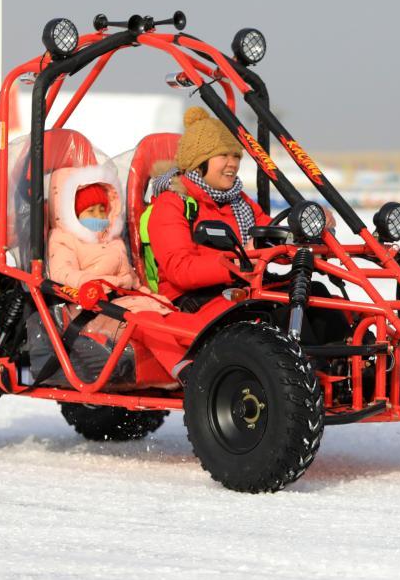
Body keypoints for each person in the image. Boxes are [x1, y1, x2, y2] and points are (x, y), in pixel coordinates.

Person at [35, 165, 171, 387]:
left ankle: (198, 364)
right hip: (90, 307)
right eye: (90, 211)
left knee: (169, 317)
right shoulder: (64, 238)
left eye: (102, 209)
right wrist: (89, 284)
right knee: (149, 323)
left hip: (123, 301)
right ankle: (185, 373)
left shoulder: (113, 241)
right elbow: (62, 272)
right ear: (72, 214)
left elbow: (130, 279)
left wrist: (150, 295)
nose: (99, 216)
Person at [146, 107, 270, 310]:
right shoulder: (172, 203)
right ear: (198, 163)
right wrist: (236, 264)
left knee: (315, 300)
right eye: (223, 155)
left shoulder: (240, 202)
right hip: (189, 300)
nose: (233, 164)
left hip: (237, 291)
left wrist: (304, 232)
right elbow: (179, 270)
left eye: (236, 156)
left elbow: (270, 231)